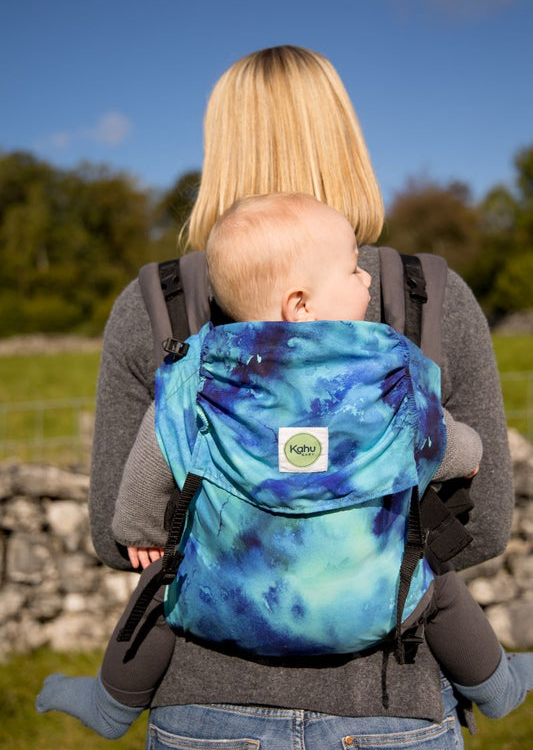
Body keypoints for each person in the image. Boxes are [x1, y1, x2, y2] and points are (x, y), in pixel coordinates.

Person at [85, 46, 513, 749]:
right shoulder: (424, 294)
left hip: (204, 706)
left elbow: (118, 534)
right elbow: (486, 525)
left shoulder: (155, 302)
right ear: (344, 138)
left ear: (220, 145)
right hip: (392, 699)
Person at [37, 194, 531, 742]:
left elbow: (154, 452)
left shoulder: (202, 373)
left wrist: (137, 530)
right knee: (434, 588)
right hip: (372, 607)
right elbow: (442, 445)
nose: (366, 278)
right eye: (351, 269)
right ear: (301, 303)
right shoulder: (383, 376)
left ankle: (111, 703)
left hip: (228, 604)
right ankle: (499, 687)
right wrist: (472, 451)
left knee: (164, 586)